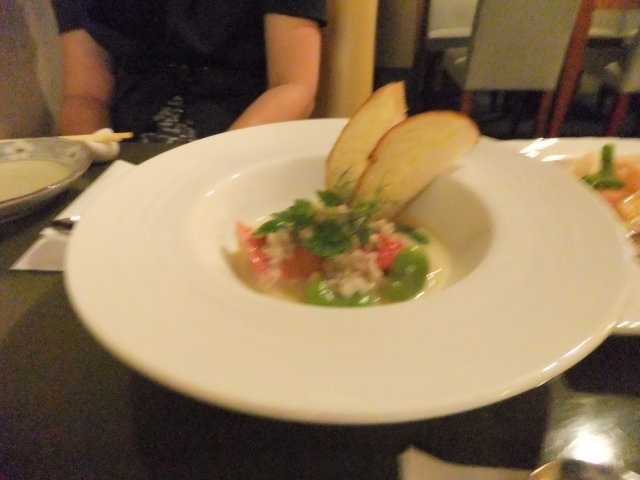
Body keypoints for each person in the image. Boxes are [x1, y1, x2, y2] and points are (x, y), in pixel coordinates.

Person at [51, 0, 327, 143]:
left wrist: (217, 157)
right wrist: (90, 154)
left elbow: (293, 86)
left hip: (241, 130)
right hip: (129, 141)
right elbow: (84, 95)